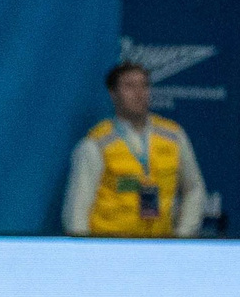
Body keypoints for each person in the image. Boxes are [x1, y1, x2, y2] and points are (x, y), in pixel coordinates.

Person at [61, 60, 207, 238]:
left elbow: (194, 188)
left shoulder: (173, 136)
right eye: (129, 86)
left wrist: (183, 235)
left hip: (160, 245)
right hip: (111, 248)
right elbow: (77, 207)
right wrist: (85, 253)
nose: (139, 93)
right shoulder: (96, 144)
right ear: (113, 93)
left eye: (144, 85)